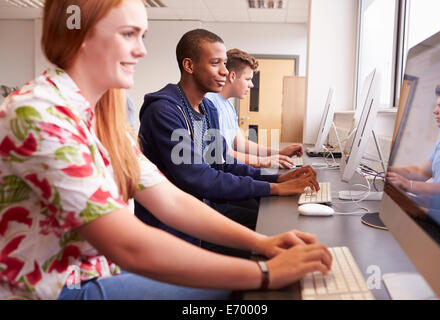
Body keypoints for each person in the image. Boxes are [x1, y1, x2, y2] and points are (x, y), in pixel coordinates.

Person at [0, 0, 332, 300]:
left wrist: (262, 242)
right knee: (241, 288)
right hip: (58, 289)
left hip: (100, 269)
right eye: (129, 34)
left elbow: (171, 199)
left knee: (250, 266)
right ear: (82, 35)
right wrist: (264, 272)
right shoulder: (40, 113)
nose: (142, 50)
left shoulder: (105, 118)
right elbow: (128, 244)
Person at [137, 29, 320, 255]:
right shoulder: (165, 112)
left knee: (277, 226)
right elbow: (198, 178)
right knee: (266, 237)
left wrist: (278, 178)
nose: (225, 71)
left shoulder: (208, 109)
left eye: (224, 63)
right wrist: (273, 188)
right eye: (215, 63)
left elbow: (221, 164)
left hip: (205, 208)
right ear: (189, 65)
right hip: (175, 227)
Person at [206, 48, 303, 169]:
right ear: (232, 76)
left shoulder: (228, 105)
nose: (251, 85)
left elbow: (241, 144)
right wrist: (262, 161)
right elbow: (222, 153)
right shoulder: (210, 103)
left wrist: (279, 153)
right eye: (247, 79)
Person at [386, 81, 440, 232]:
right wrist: (391, 171)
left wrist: (410, 185)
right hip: (432, 211)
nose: (435, 111)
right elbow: (421, 172)